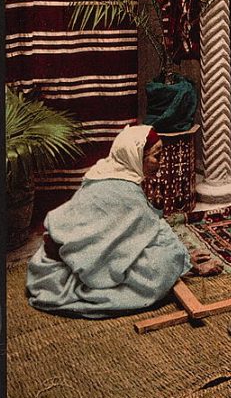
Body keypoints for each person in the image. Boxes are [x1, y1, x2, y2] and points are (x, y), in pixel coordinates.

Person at [26, 124, 220, 318]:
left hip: (51, 261)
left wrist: (184, 257)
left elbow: (131, 230)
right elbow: (155, 231)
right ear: (135, 157)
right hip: (66, 269)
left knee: (158, 246)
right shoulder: (126, 191)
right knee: (165, 259)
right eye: (156, 156)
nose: (161, 163)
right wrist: (183, 262)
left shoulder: (104, 171)